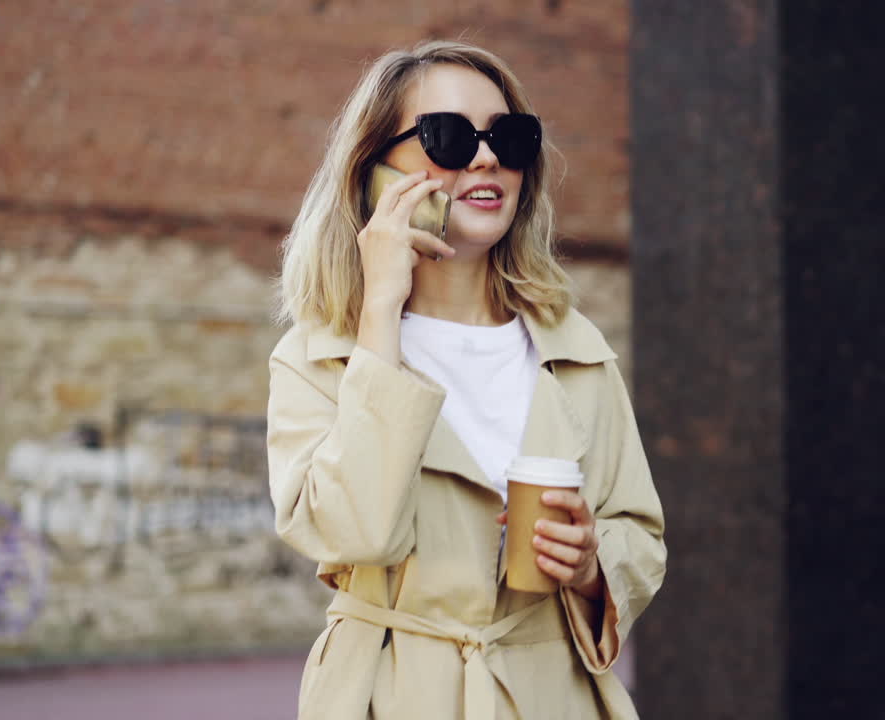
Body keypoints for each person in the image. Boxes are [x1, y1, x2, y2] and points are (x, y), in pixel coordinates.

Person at [266, 40, 666, 720]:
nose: (486, 159)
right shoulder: (321, 354)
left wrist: (592, 566)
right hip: (388, 695)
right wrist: (381, 314)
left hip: (552, 697)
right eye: (447, 137)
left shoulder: (576, 350)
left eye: (509, 138)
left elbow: (639, 531)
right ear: (376, 172)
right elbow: (352, 533)